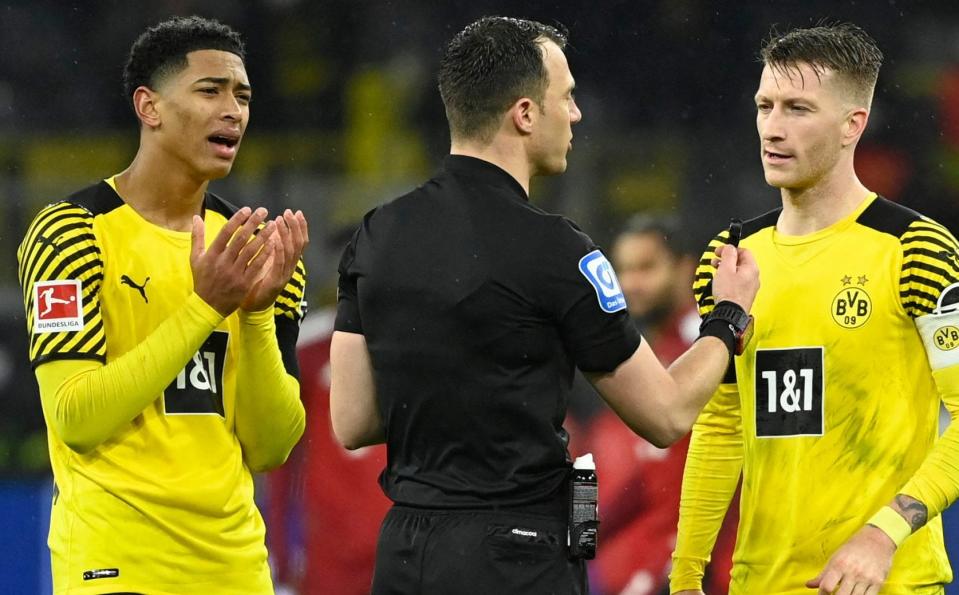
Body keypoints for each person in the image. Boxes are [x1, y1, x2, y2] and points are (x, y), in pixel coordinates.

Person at [330, 16, 758, 595]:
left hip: (405, 553)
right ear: (526, 113)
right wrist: (726, 319)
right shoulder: (558, 250)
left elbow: (352, 421)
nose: (577, 114)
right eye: (568, 96)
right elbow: (665, 416)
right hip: (515, 557)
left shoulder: (376, 235)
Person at [16, 16, 308, 594]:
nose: (234, 111)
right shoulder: (71, 234)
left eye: (243, 96)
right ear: (148, 107)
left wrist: (252, 314)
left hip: (236, 572)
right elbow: (76, 419)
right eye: (211, 90)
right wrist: (205, 308)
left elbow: (271, 446)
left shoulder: (259, 253)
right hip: (118, 568)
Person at [670, 23, 959, 595]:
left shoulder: (916, 249)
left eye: (798, 109)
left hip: (889, 583)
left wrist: (885, 532)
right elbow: (722, 426)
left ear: (854, 125)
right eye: (765, 106)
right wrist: (685, 577)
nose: (772, 129)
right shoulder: (728, 262)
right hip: (759, 583)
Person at [588, 214, 737, 595]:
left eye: (647, 267)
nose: (631, 284)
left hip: (709, 567)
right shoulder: (657, 349)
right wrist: (586, 538)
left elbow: (731, 463)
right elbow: (652, 476)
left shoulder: (707, 346)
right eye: (624, 270)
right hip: (664, 559)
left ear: (684, 267)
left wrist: (683, 562)